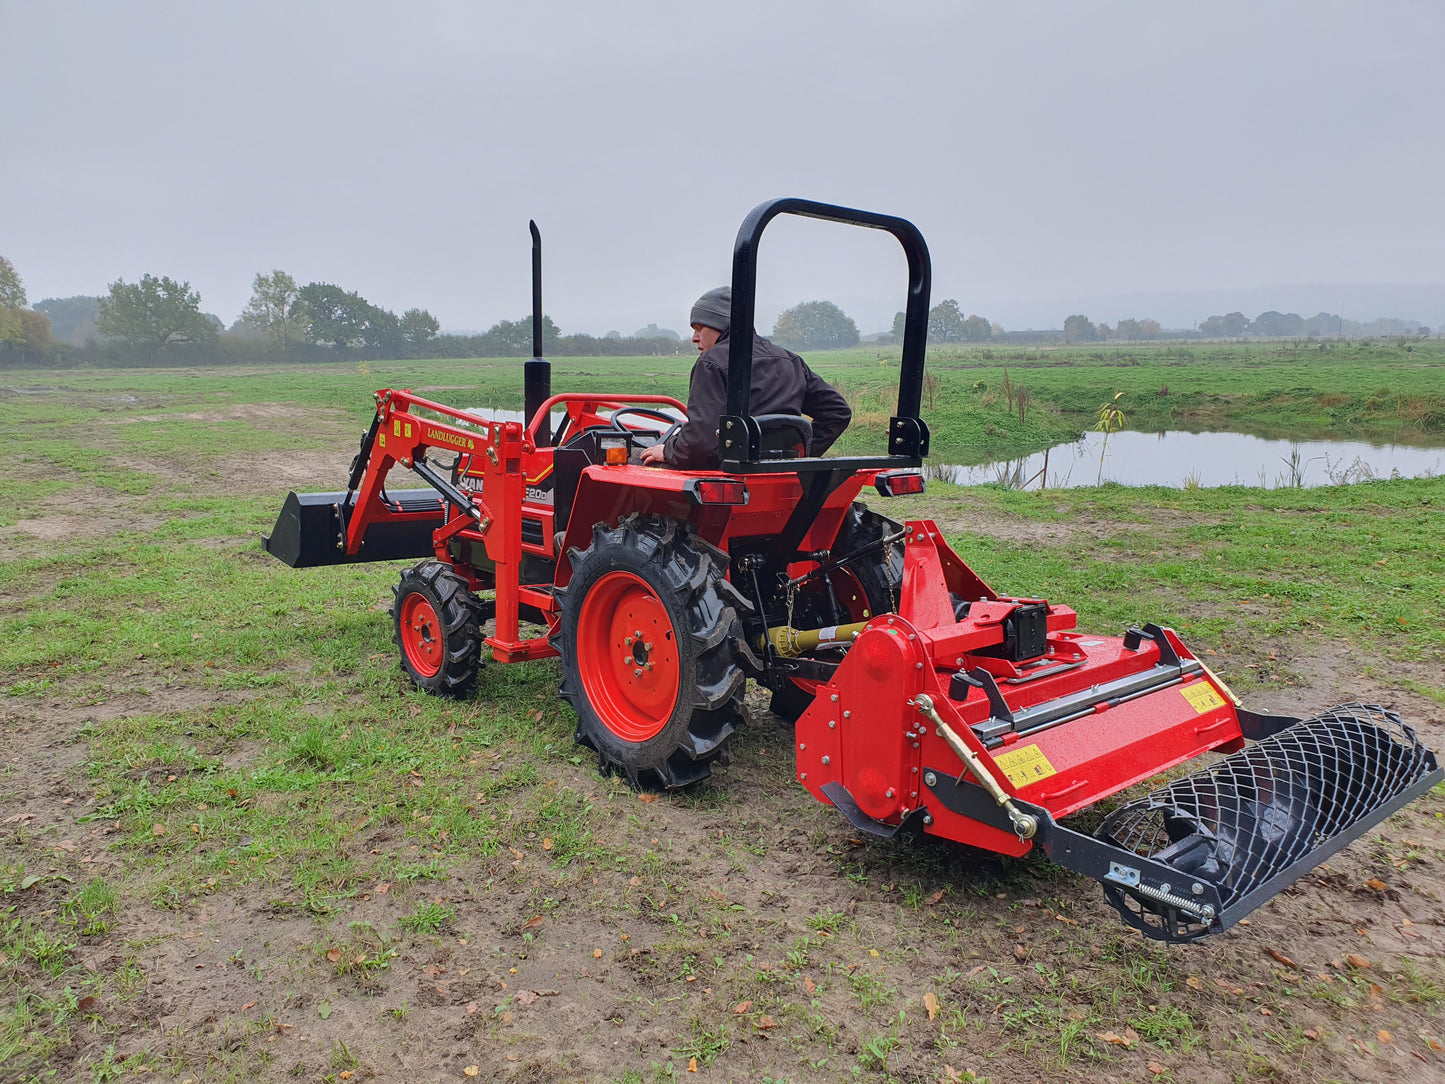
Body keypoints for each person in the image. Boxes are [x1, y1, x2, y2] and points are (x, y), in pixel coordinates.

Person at [639, 286, 851, 469]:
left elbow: (699, 442)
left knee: (638, 460)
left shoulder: (712, 363)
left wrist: (669, 451)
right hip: (778, 472)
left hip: (729, 474)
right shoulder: (789, 359)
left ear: (720, 324)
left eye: (699, 328)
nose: (694, 338)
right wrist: (798, 455)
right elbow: (837, 412)